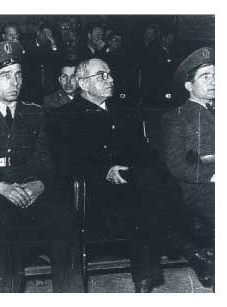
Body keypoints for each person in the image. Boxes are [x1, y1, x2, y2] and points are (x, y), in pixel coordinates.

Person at [0, 41, 83, 293]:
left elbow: (45, 161)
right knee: (3, 217)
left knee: (65, 216)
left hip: (29, 189)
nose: (14, 82)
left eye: (18, 75)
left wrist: (39, 183)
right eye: (5, 76)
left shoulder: (34, 113)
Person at [48, 58, 172, 292]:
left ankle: (145, 280)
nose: (111, 79)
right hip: (94, 195)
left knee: (152, 181)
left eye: (110, 74)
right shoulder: (63, 117)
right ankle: (180, 254)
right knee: (150, 198)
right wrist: (104, 172)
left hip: (134, 185)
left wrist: (131, 170)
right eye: (102, 75)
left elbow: (146, 153)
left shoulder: (125, 113)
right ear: (83, 84)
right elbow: (66, 163)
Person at [160, 47, 215, 288]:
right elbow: (177, 165)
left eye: (217, 75)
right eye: (205, 77)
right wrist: (214, 175)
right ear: (189, 86)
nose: (214, 82)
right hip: (197, 190)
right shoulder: (177, 117)